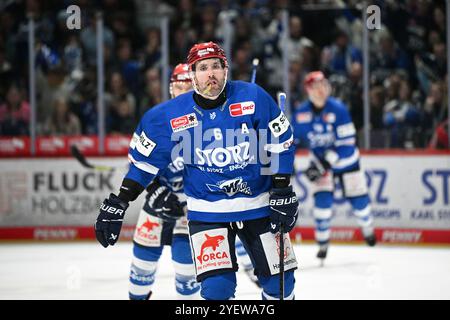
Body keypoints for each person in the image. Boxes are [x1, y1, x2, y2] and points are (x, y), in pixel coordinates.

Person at [95, 42, 299, 300]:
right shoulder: (167, 116)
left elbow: (280, 142)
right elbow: (144, 165)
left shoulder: (254, 96)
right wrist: (120, 201)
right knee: (216, 291)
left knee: (281, 286)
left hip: (258, 205)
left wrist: (281, 188)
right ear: (192, 75)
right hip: (207, 211)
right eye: (202, 68)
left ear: (226, 70)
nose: (210, 73)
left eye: (216, 66)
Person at [292, 71, 376, 262]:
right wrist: (288, 162)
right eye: (316, 86)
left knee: (359, 201)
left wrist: (325, 162)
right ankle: (322, 243)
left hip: (347, 163)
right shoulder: (301, 113)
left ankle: (368, 228)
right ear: (308, 90)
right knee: (322, 202)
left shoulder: (338, 109)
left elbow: (347, 145)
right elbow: (292, 142)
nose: (321, 90)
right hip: (322, 163)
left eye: (324, 85)